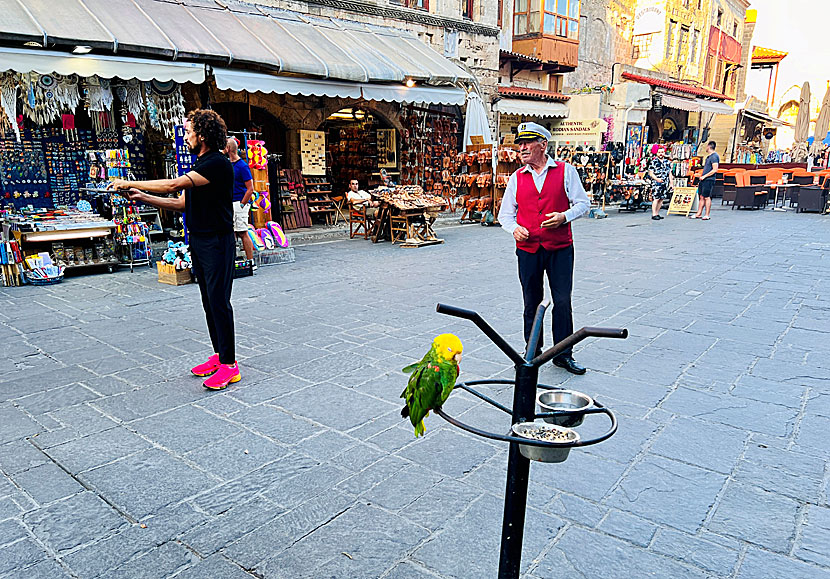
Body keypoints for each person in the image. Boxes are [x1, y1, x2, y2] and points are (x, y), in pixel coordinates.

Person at [110, 110, 240, 390]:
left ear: (202, 134)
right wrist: (143, 197)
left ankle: (230, 365)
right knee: (208, 301)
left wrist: (130, 181)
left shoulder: (217, 163)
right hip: (200, 240)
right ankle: (219, 355)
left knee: (219, 301)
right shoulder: (202, 162)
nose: (186, 136)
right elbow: (182, 203)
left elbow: (172, 185)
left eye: (189, 131)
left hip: (218, 241)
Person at [497, 122, 591, 375]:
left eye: (528, 142)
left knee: (562, 301)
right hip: (528, 249)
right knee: (531, 301)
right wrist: (514, 229)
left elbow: (583, 204)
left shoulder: (565, 171)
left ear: (543, 145)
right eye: (519, 144)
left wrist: (564, 216)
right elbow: (505, 215)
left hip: (560, 248)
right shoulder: (517, 178)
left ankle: (563, 353)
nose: (522, 147)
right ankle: (532, 351)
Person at [224, 137, 255, 262]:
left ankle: (250, 260)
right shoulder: (228, 164)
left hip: (239, 202)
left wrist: (242, 204)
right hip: (230, 202)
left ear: (228, 148)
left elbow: (250, 188)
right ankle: (234, 258)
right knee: (232, 233)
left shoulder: (242, 166)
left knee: (242, 232)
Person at [691, 141, 719, 220]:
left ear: (709, 146)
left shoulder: (714, 156)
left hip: (709, 179)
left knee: (707, 196)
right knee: (702, 196)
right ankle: (698, 213)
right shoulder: (709, 157)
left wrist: (705, 176)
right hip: (704, 179)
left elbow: (715, 169)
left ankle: (707, 214)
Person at [647, 145, 672, 220]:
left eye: (662, 152)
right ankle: (654, 214)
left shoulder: (667, 162)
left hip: (665, 182)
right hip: (656, 183)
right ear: (657, 153)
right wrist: (657, 179)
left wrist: (671, 183)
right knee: (656, 198)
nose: (661, 154)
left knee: (661, 199)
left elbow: (670, 173)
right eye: (659, 152)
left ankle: (657, 213)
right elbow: (651, 173)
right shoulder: (653, 162)